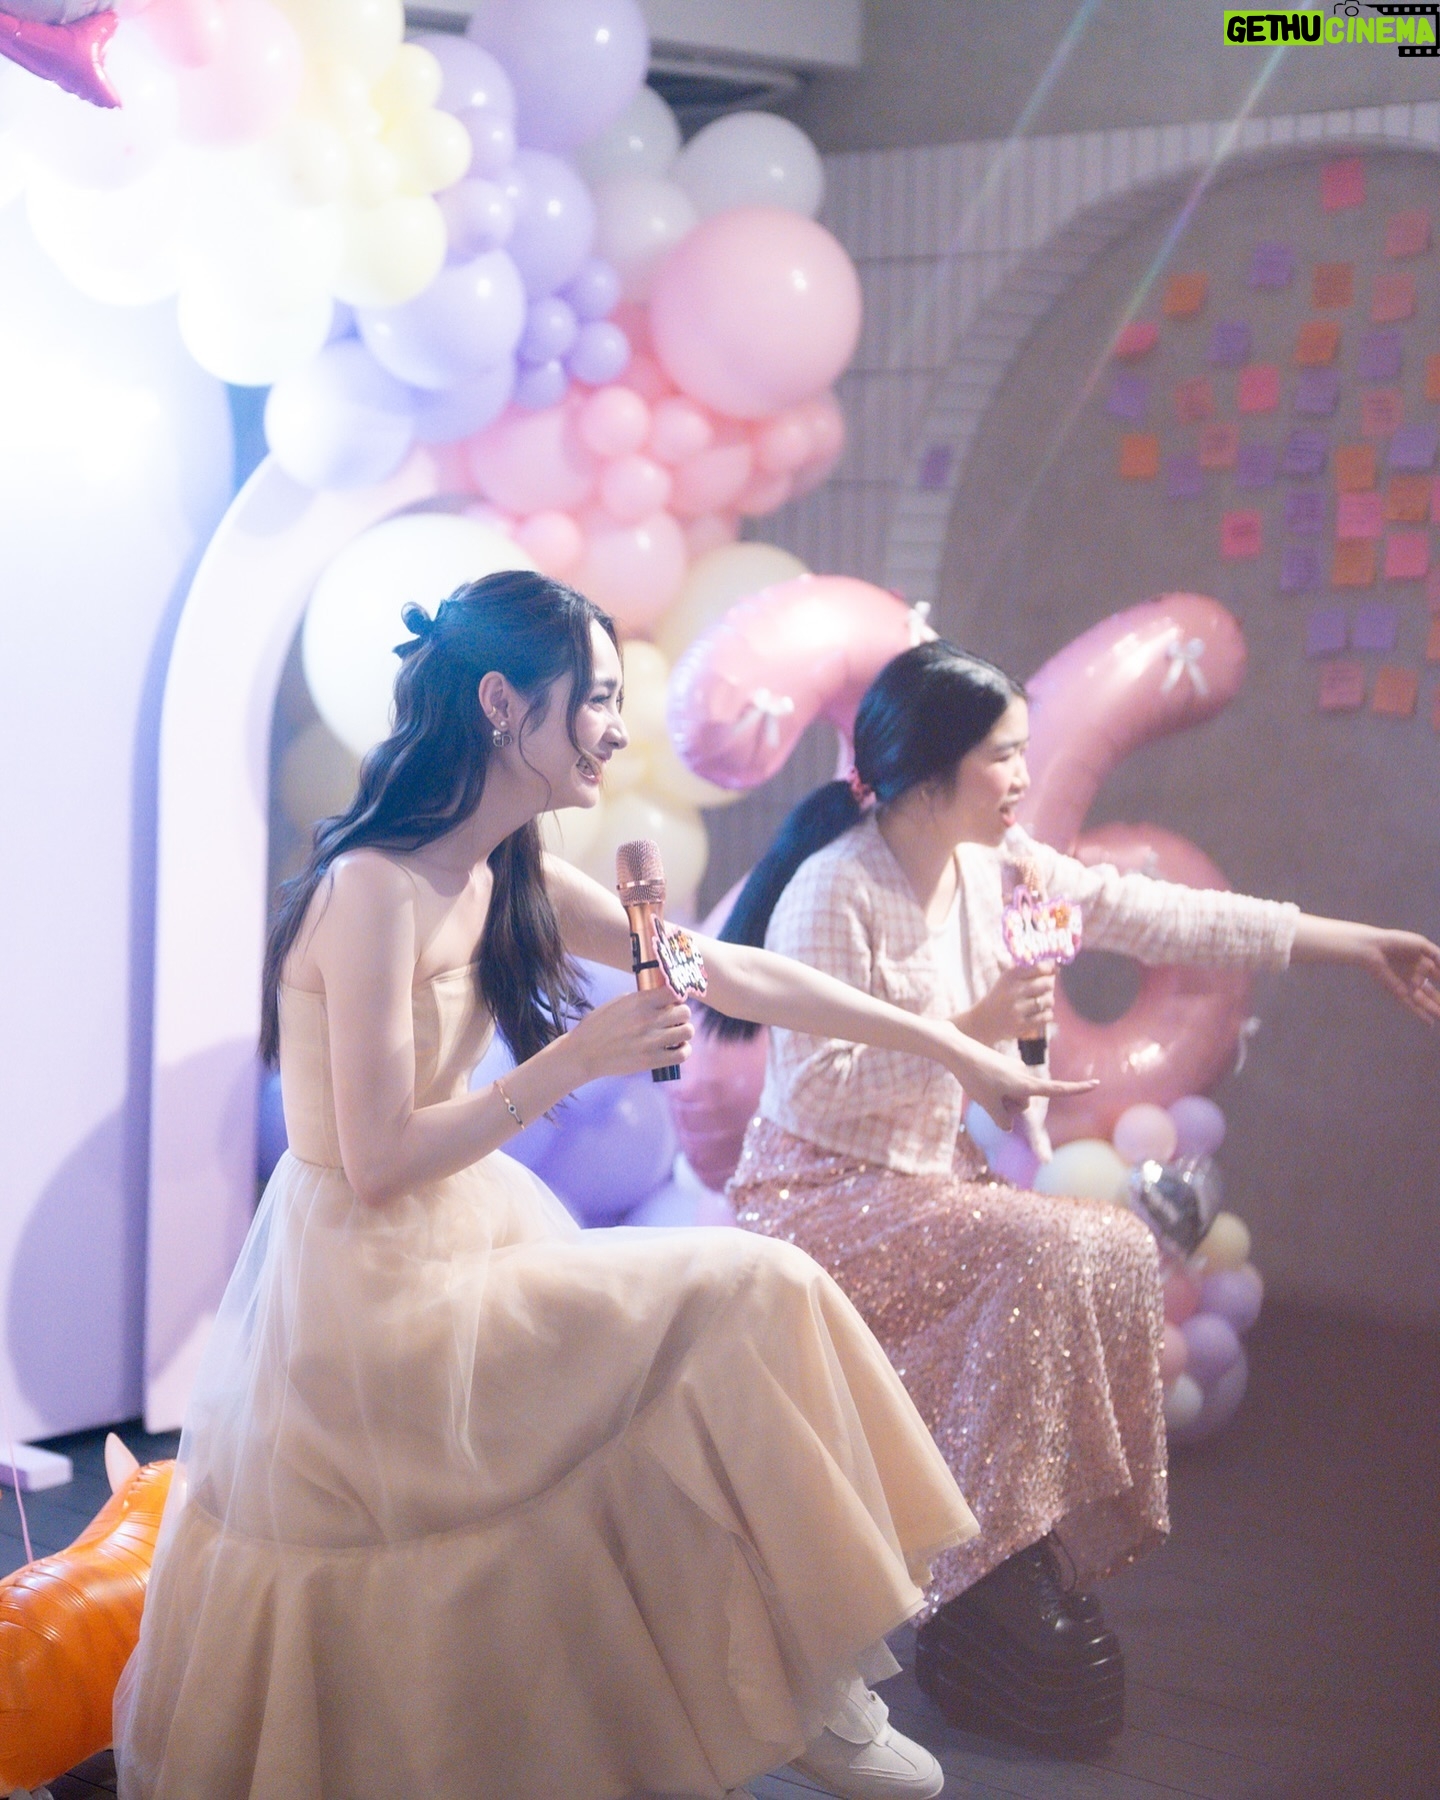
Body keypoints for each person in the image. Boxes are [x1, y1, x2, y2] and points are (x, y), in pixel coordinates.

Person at [115, 576, 1089, 1800]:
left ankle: (814, 1670)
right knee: (748, 1289)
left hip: (465, 1246)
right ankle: (811, 1680)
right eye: (600, 700)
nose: (619, 731)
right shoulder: (371, 888)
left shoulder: (506, 868)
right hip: (370, 1306)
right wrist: (577, 1058)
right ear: (502, 704)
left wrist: (951, 1046)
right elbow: (376, 1160)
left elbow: (726, 971)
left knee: (761, 1293)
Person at [720, 640, 1440, 1749]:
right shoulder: (836, 885)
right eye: (1002, 756)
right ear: (929, 770)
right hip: (817, 1194)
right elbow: (819, 1086)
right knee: (1049, 1247)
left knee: (1110, 1243)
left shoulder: (1002, 869)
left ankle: (1012, 1541)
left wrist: (1355, 946)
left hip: (930, 1187)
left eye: (1024, 752)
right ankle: (983, 1560)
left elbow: (1168, 916)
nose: (1023, 775)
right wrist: (973, 1029)